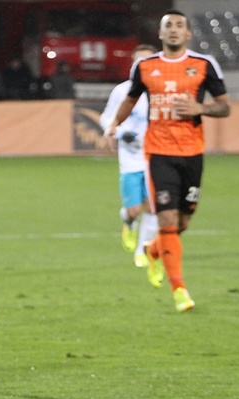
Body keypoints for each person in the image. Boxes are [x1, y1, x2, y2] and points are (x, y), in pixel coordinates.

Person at [104, 10, 231, 312]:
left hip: (192, 153)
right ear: (160, 34)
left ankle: (153, 250)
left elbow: (224, 107)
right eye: (168, 26)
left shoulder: (204, 64)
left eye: (179, 26)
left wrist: (199, 108)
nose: (173, 30)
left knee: (182, 223)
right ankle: (179, 289)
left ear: (188, 33)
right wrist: (114, 125)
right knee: (168, 220)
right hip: (158, 153)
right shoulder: (145, 66)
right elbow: (130, 99)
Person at [100, 44, 159, 267]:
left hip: (155, 158)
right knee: (134, 210)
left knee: (152, 207)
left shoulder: (161, 91)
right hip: (130, 160)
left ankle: (142, 250)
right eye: (138, 61)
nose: (142, 65)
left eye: (146, 60)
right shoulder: (122, 91)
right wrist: (120, 133)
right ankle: (128, 221)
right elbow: (106, 118)